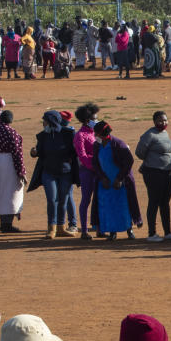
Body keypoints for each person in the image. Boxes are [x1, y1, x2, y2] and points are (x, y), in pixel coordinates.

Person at [29, 111, 79, 239]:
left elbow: (75, 151)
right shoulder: (43, 136)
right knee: (52, 200)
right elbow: (39, 151)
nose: (43, 123)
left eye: (44, 120)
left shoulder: (68, 134)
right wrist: (34, 152)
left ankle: (61, 228)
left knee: (63, 200)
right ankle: (51, 228)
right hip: (48, 172)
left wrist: (72, 160)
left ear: (51, 121)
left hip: (65, 173)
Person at [92, 121, 141, 240]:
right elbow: (95, 163)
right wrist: (102, 178)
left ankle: (129, 230)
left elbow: (129, 161)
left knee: (124, 206)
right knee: (108, 207)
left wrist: (119, 178)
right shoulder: (97, 146)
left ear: (101, 134)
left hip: (120, 182)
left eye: (96, 134)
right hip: (106, 183)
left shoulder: (118, 144)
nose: (95, 136)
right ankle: (112, 232)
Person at [136, 111, 171, 242]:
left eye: (165, 120)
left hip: (168, 172)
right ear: (154, 122)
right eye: (160, 120)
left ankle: (168, 232)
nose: (163, 123)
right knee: (154, 201)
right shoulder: (149, 135)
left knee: (165, 202)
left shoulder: (165, 133)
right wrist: (152, 161)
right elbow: (139, 153)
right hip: (154, 172)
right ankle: (151, 233)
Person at [0, 111, 25, 233]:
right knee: (11, 192)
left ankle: (4, 221)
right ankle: (7, 224)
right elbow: (17, 153)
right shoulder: (11, 132)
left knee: (1, 191)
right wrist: (21, 171)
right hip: (9, 162)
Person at [73, 103, 99, 240]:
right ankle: (84, 230)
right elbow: (82, 156)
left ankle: (100, 228)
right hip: (87, 171)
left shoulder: (96, 133)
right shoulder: (80, 135)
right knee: (86, 200)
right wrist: (94, 166)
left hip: (98, 170)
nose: (97, 120)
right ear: (87, 120)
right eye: (94, 118)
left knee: (99, 199)